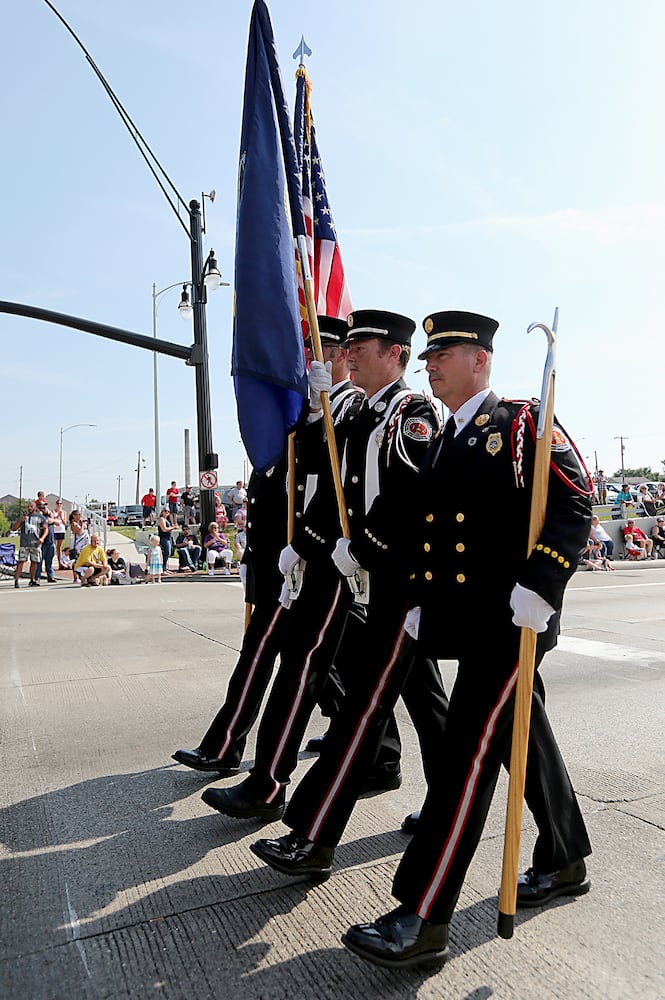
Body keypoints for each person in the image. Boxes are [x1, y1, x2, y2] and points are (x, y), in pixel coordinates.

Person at [324, 309, 595, 969]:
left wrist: (542, 586)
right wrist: (421, 604)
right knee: (516, 735)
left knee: (463, 763)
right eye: (427, 356)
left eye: (442, 353)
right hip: (467, 622)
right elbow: (428, 535)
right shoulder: (446, 437)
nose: (429, 363)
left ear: (479, 359)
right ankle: (563, 858)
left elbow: (573, 502)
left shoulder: (520, 422)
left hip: (510, 623)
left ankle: (423, 914)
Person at [248, 309, 448, 856]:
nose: (351, 352)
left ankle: (313, 834)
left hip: (400, 579)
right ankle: (445, 798)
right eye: (350, 343)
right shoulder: (363, 409)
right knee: (420, 703)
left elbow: (406, 497)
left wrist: (360, 549)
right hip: (372, 581)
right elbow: (321, 462)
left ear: (396, 355)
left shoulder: (412, 412)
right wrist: (315, 406)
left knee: (365, 706)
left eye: (364, 345)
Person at [12, 500, 48, 588]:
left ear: (35, 507)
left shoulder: (40, 517)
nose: (29, 508)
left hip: (35, 543)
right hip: (24, 543)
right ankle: (16, 580)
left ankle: (32, 579)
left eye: (31, 506)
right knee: (21, 561)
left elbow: (45, 529)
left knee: (34, 562)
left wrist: (42, 538)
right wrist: (21, 520)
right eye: (28, 506)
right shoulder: (24, 517)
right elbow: (14, 528)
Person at [34, 499, 57, 583]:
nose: (43, 509)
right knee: (39, 561)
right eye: (41, 507)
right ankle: (37, 577)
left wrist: (53, 520)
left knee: (49, 561)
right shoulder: (37, 517)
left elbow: (58, 523)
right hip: (42, 542)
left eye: (44, 507)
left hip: (51, 541)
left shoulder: (50, 516)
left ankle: (50, 576)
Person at [68, 510, 90, 583]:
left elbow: (87, 531)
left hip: (85, 544)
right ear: (74, 516)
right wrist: (81, 525)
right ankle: (75, 577)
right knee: (77, 561)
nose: (79, 516)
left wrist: (87, 525)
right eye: (78, 515)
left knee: (85, 560)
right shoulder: (73, 524)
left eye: (80, 515)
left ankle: (83, 575)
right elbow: (79, 533)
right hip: (78, 545)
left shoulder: (82, 524)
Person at [53, 499, 68, 567]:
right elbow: (52, 520)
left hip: (61, 530)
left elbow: (64, 522)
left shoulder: (64, 512)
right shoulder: (53, 512)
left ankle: (60, 562)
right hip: (54, 530)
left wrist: (61, 517)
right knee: (52, 546)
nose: (59, 505)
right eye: (58, 503)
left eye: (60, 504)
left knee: (59, 547)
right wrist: (57, 515)